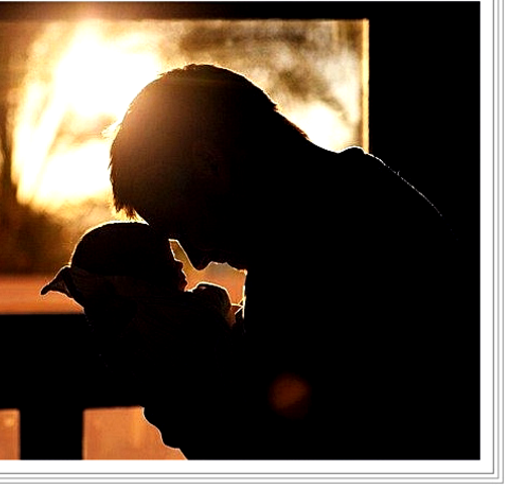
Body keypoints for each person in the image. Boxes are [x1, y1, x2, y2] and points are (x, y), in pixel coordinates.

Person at [107, 64, 478, 459]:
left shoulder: (304, 258)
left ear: (211, 164)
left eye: (183, 226)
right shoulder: (362, 201)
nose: (197, 260)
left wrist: (180, 406)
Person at [41, 221, 239, 409]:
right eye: (167, 260)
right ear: (143, 281)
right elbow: (212, 306)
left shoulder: (120, 332)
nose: (180, 264)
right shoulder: (176, 318)